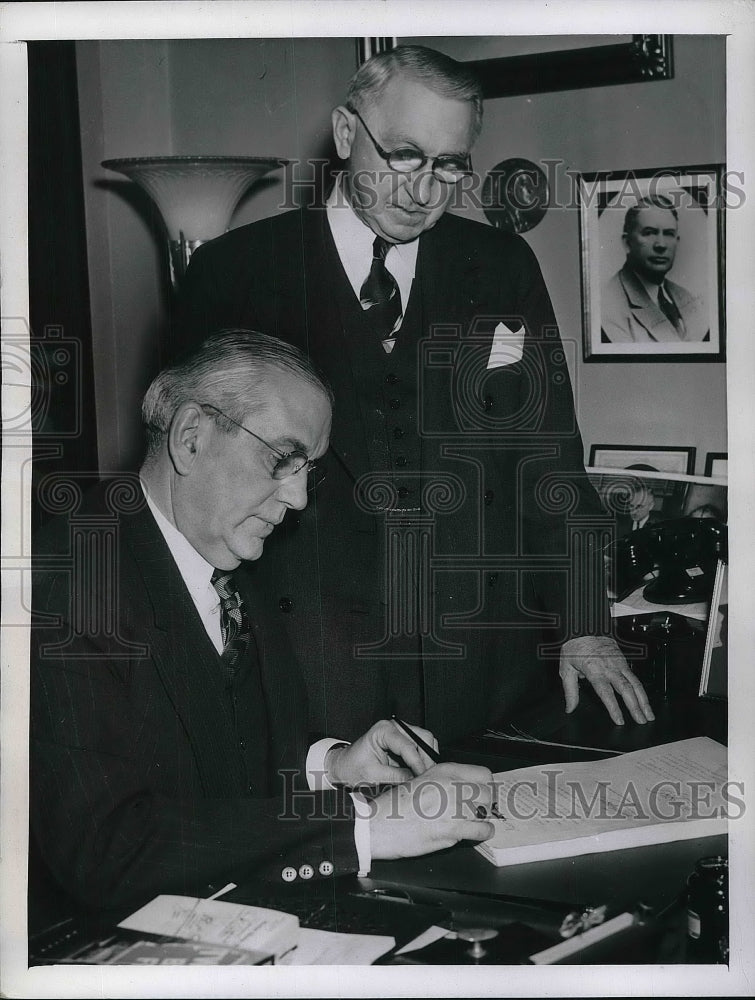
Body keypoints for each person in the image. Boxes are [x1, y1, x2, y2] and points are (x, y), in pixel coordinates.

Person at [175, 45, 654, 742]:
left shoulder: (499, 266)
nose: (422, 189)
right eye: (402, 154)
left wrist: (585, 625)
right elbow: (193, 486)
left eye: (448, 165)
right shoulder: (235, 272)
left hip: (484, 668)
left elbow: (547, 461)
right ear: (345, 134)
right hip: (306, 668)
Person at [30, 331, 496, 915]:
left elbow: (209, 769)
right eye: (282, 459)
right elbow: (107, 848)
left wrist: (331, 768)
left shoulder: (224, 555)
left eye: (308, 470)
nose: (299, 498)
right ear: (190, 438)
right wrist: (364, 825)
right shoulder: (62, 586)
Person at [601, 194, 709, 343]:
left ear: (677, 242)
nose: (661, 245)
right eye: (649, 233)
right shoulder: (609, 307)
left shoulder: (687, 298)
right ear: (627, 243)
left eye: (668, 234)